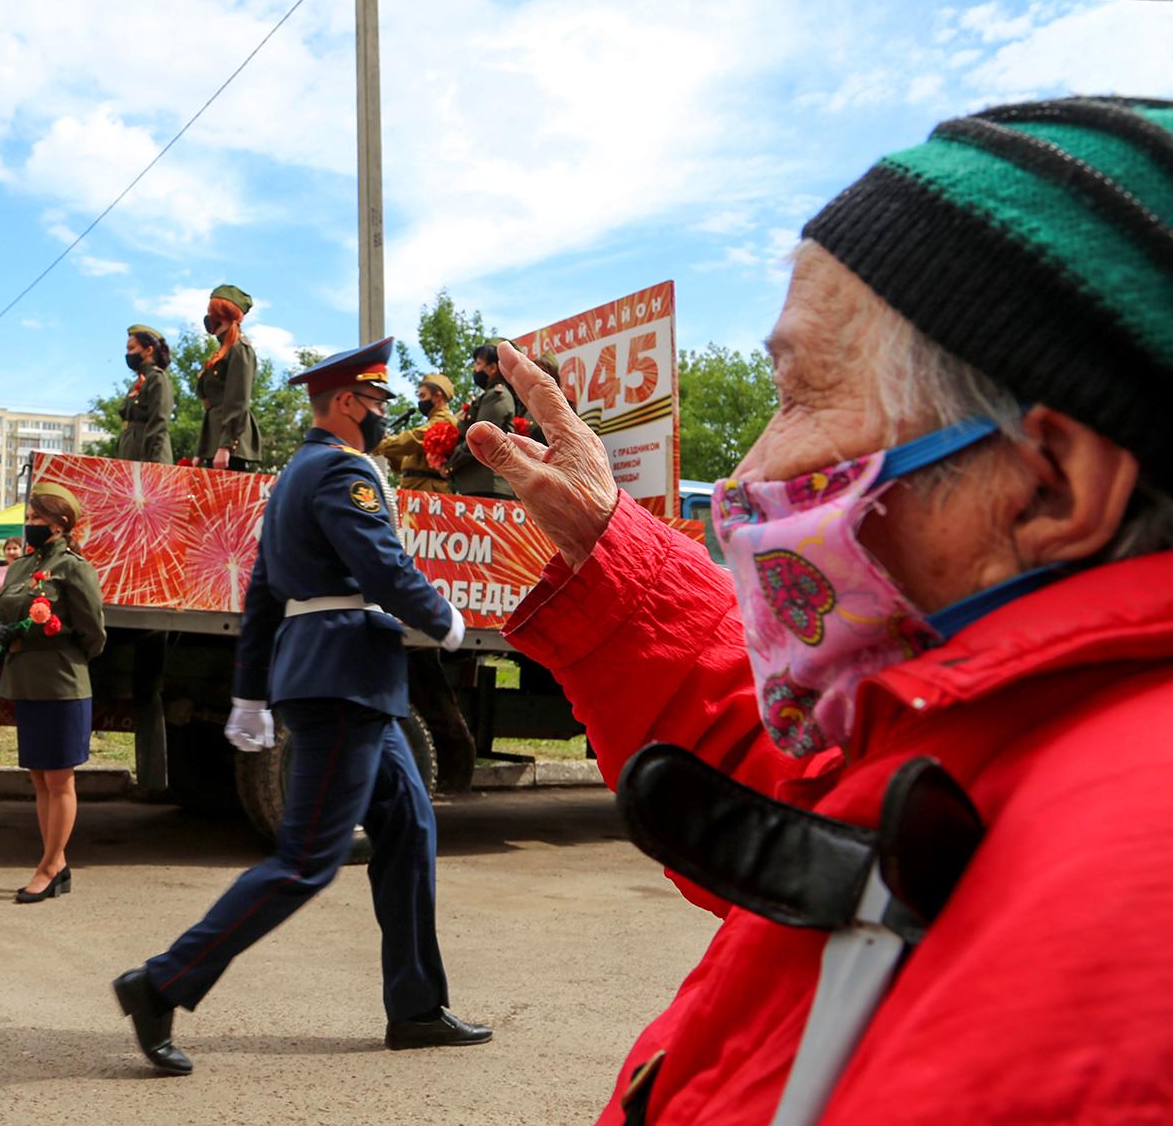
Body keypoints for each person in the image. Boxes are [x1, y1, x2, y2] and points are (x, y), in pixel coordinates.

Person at [469, 96, 1173, 1123]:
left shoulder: (1119, 932)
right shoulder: (1003, 746)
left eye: (798, 394)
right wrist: (617, 553)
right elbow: (815, 807)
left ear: (1050, 486)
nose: (752, 468)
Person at [114, 338, 490, 1076]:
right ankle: (160, 983)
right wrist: (441, 616)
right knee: (306, 861)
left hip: (350, 683)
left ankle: (415, 1007)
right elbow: (382, 563)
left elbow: (260, 594)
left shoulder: (293, 477)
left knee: (409, 831)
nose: (385, 417)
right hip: (342, 681)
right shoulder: (343, 471)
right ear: (347, 403)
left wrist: (250, 689)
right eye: (377, 404)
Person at [0, 484, 105, 902]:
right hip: (26, 679)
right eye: (29, 518)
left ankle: (50, 864)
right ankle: (53, 860)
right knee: (39, 776)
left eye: (39, 519)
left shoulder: (74, 567)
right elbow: (3, 609)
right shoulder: (22, 566)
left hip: (61, 681)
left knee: (59, 778)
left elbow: (94, 631)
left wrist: (64, 656)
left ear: (61, 524)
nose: (30, 525)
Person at [194, 286, 262, 470]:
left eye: (211, 311)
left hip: (230, 445)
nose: (208, 317)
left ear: (221, 313)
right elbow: (212, 408)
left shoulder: (240, 349)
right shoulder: (221, 352)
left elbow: (237, 401)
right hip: (214, 441)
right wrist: (202, 450)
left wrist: (225, 446)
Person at [443, 341, 523, 499]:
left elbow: (480, 437)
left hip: (489, 486)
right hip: (479, 484)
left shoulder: (496, 395)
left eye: (478, 364)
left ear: (492, 368)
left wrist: (449, 465)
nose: (474, 369)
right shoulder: (489, 396)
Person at [375, 374, 458, 492]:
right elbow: (403, 465)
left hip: (429, 492)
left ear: (438, 396)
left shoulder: (444, 421)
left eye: (423, 396)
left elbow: (413, 439)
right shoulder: (432, 422)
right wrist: (390, 450)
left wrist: (380, 444)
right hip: (415, 490)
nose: (420, 401)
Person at [118, 324, 175, 464]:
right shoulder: (138, 382)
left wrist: (151, 464)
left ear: (149, 350)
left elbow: (158, 423)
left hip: (149, 459)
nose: (128, 354)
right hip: (131, 455)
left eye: (132, 348)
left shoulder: (157, 378)